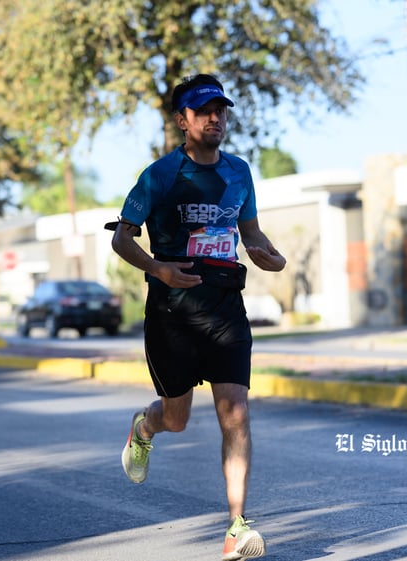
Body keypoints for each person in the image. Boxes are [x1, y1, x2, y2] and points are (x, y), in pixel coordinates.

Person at [110, 73, 286, 561]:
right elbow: (122, 238)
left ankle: (236, 526)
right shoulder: (160, 175)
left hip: (225, 306)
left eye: (222, 110)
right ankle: (144, 428)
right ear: (182, 120)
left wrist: (270, 255)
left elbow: (251, 233)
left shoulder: (239, 172)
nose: (216, 118)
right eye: (204, 110)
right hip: (172, 313)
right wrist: (157, 268)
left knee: (236, 412)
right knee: (177, 417)